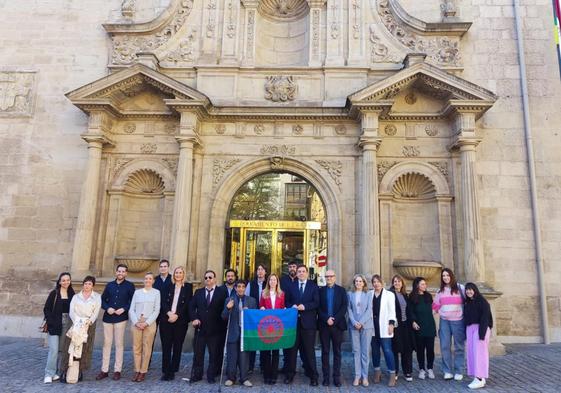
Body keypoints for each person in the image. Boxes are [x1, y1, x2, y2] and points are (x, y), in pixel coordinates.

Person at [97, 264, 135, 381]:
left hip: (121, 318)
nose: (120, 273)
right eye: (119, 271)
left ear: (126, 273)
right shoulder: (109, 285)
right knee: (107, 344)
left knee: (119, 344)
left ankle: (117, 370)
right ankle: (104, 370)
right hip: (108, 318)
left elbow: (133, 301)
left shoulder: (130, 286)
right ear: (116, 272)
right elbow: (102, 300)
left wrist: (124, 309)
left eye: (123, 271)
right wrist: (107, 308)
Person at [60, 276, 101, 383]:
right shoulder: (76, 297)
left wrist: (88, 322)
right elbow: (71, 310)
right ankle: (65, 370)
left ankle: (79, 371)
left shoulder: (97, 297)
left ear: (93, 285)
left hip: (88, 325)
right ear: (83, 284)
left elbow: (96, 312)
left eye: (90, 284)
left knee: (84, 348)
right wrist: (77, 321)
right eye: (86, 283)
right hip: (74, 323)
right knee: (69, 346)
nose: (87, 286)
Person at [190, 270, 228, 384]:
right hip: (200, 329)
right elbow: (191, 307)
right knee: (198, 354)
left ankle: (211, 375)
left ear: (215, 279)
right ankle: (197, 374)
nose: (208, 280)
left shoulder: (222, 292)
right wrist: (194, 318)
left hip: (215, 330)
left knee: (214, 355)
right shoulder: (198, 292)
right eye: (206, 278)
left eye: (210, 277)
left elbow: (224, 309)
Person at [284, 264, 319, 386]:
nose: (301, 273)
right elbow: (286, 301)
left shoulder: (313, 286)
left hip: (308, 324)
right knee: (291, 351)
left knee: (309, 351)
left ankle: (313, 375)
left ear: (307, 273)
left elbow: (316, 302)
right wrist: (291, 306)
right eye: (299, 271)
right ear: (297, 273)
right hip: (293, 324)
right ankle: (289, 375)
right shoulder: (291, 286)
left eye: (303, 271)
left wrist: (305, 306)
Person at [222, 280, 258, 387]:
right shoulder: (229, 299)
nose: (241, 289)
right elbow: (223, 317)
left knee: (244, 358)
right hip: (233, 332)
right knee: (231, 357)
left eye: (243, 286)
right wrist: (228, 308)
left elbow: (255, 318)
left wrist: (249, 313)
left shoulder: (252, 301)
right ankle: (231, 378)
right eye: (239, 286)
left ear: (245, 288)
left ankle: (244, 378)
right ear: (235, 288)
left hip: (245, 334)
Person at [159, 266, 192, 381]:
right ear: (173, 275)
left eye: (180, 273)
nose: (178, 275)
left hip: (180, 321)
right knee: (166, 346)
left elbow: (187, 303)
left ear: (184, 274)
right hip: (166, 320)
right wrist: (169, 313)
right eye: (176, 273)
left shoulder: (188, 287)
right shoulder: (167, 286)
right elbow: (162, 302)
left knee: (177, 346)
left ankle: (173, 369)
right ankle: (166, 371)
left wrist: (177, 314)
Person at [433, 268, 465, 381]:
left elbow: (469, 301)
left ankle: (459, 371)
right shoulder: (439, 291)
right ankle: (447, 371)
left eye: (447, 275)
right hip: (444, 322)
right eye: (443, 276)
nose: (445, 277)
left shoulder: (461, 288)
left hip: (458, 321)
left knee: (459, 347)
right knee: (445, 346)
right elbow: (435, 306)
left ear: (451, 276)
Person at [43, 272, 75, 383]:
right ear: (60, 281)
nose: (66, 282)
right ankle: (48, 373)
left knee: (62, 350)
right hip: (55, 323)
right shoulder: (54, 293)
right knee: (54, 350)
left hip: (67, 323)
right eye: (63, 280)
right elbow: (46, 309)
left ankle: (56, 372)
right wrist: (50, 322)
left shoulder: (72, 294)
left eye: (68, 280)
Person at [318, 269, 347, 387]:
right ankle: (326, 378)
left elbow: (344, 306)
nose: (329, 278)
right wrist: (326, 319)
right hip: (324, 326)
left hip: (337, 326)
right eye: (327, 276)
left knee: (337, 352)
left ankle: (336, 377)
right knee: (325, 352)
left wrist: (334, 319)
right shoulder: (320, 291)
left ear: (335, 277)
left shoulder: (341, 290)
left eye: (331, 276)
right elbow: (318, 307)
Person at [129, 272, 161, 382]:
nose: (147, 280)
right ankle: (137, 370)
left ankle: (143, 371)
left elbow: (156, 310)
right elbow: (131, 309)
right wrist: (136, 322)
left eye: (150, 279)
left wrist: (146, 323)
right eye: (146, 278)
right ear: (144, 280)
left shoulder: (156, 293)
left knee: (147, 348)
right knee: (136, 347)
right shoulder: (137, 292)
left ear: (153, 281)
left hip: (149, 323)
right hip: (136, 323)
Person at [464, 282, 493, 390]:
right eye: (467, 290)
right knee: (472, 353)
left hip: (480, 329)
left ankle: (480, 378)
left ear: (475, 290)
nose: (469, 291)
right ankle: (477, 377)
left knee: (480, 353)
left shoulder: (482, 302)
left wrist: (481, 334)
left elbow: (485, 318)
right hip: (470, 329)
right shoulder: (468, 302)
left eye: (471, 289)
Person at [259, 273, 285, 385]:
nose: (272, 282)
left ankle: (274, 375)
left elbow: (283, 307)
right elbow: (260, 306)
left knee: (275, 352)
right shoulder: (264, 293)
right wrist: (262, 308)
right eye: (271, 280)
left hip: (276, 327)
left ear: (277, 282)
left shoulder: (281, 294)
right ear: (268, 282)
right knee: (265, 352)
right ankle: (266, 375)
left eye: (274, 280)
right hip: (266, 326)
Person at [371, 274, 397, 387]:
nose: (376, 284)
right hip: (372, 327)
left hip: (385, 326)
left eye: (378, 281)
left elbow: (392, 311)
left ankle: (392, 374)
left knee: (387, 350)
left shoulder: (389, 295)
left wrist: (391, 324)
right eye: (374, 282)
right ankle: (377, 372)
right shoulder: (369, 294)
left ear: (382, 283)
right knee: (375, 351)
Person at [347, 274, 373, 387]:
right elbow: (348, 309)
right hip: (353, 326)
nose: (358, 283)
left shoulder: (368, 294)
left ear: (364, 283)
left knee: (365, 352)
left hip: (366, 325)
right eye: (356, 281)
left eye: (360, 281)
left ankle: (365, 376)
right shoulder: (349, 294)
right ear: (354, 283)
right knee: (356, 351)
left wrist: (361, 322)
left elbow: (369, 310)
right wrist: (354, 322)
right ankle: (357, 376)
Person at [409, 276, 436, 380]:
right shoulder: (411, 297)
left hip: (429, 326)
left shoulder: (428, 296)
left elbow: (433, 308)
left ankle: (430, 368)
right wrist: (413, 322)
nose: (425, 286)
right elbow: (410, 312)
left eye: (425, 284)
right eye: (422, 284)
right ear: (417, 286)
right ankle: (421, 369)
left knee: (430, 350)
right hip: (418, 327)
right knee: (420, 350)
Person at [389, 274, 415, 383]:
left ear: (402, 283)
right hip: (396, 325)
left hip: (406, 326)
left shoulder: (405, 295)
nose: (397, 283)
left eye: (399, 281)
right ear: (393, 283)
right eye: (395, 281)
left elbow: (409, 311)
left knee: (407, 349)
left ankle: (407, 371)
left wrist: (413, 321)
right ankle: (395, 371)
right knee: (395, 349)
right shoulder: (390, 294)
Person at [245, 264, 267, 374]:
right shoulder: (251, 284)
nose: (260, 271)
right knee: (253, 340)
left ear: (265, 272)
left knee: (264, 341)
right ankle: (250, 366)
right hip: (253, 316)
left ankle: (263, 365)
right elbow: (246, 298)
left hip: (265, 317)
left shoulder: (268, 283)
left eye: (262, 269)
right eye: (258, 269)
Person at [279, 261, 298, 373]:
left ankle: (303, 366)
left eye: (294, 266)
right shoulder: (283, 280)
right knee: (286, 341)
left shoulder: (300, 279)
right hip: (286, 314)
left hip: (300, 314)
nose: (292, 268)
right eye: (290, 267)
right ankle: (286, 366)